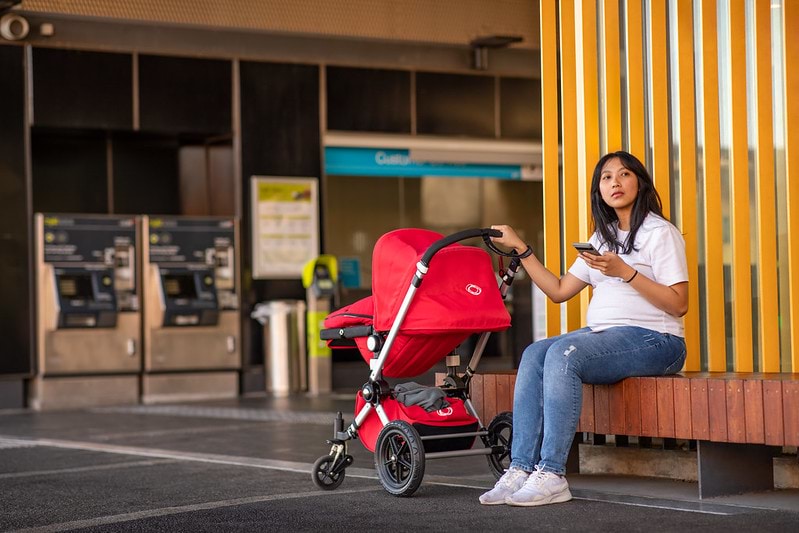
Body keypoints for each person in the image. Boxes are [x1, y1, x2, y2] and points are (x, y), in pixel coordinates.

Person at [481, 150, 688, 507]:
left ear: (639, 182)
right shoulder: (602, 238)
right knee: (534, 353)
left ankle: (552, 474)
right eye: (606, 178)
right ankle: (520, 467)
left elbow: (679, 303)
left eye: (624, 175)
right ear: (599, 191)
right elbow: (559, 290)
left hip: (659, 341)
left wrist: (626, 271)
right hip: (606, 338)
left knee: (564, 354)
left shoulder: (660, 232)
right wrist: (522, 249)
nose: (615, 183)